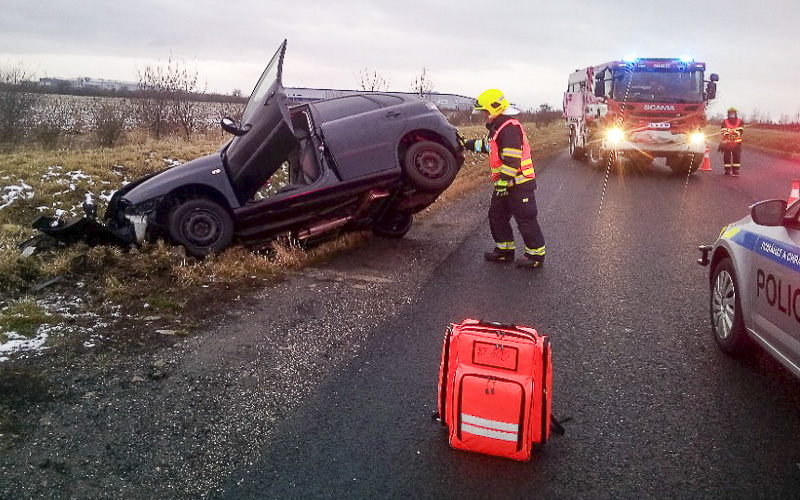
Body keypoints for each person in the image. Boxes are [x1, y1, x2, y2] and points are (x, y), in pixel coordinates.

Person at [463, 89, 545, 268]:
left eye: (485, 111)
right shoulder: (499, 128)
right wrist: (466, 144)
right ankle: (504, 251)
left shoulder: (509, 128)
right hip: (506, 184)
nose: (484, 115)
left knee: (525, 218)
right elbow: (488, 146)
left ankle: (536, 256)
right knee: (497, 215)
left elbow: (512, 160)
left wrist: (502, 182)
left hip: (519, 184)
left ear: (495, 109)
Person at [720, 107, 744, 176]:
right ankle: (727, 170)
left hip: (737, 143)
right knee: (727, 157)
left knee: (736, 156)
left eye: (733, 113)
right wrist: (727, 135)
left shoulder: (740, 121)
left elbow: (740, 130)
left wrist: (735, 135)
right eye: (730, 113)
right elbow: (723, 130)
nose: (732, 115)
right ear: (728, 114)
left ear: (736, 114)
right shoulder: (724, 121)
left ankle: (735, 170)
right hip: (727, 143)